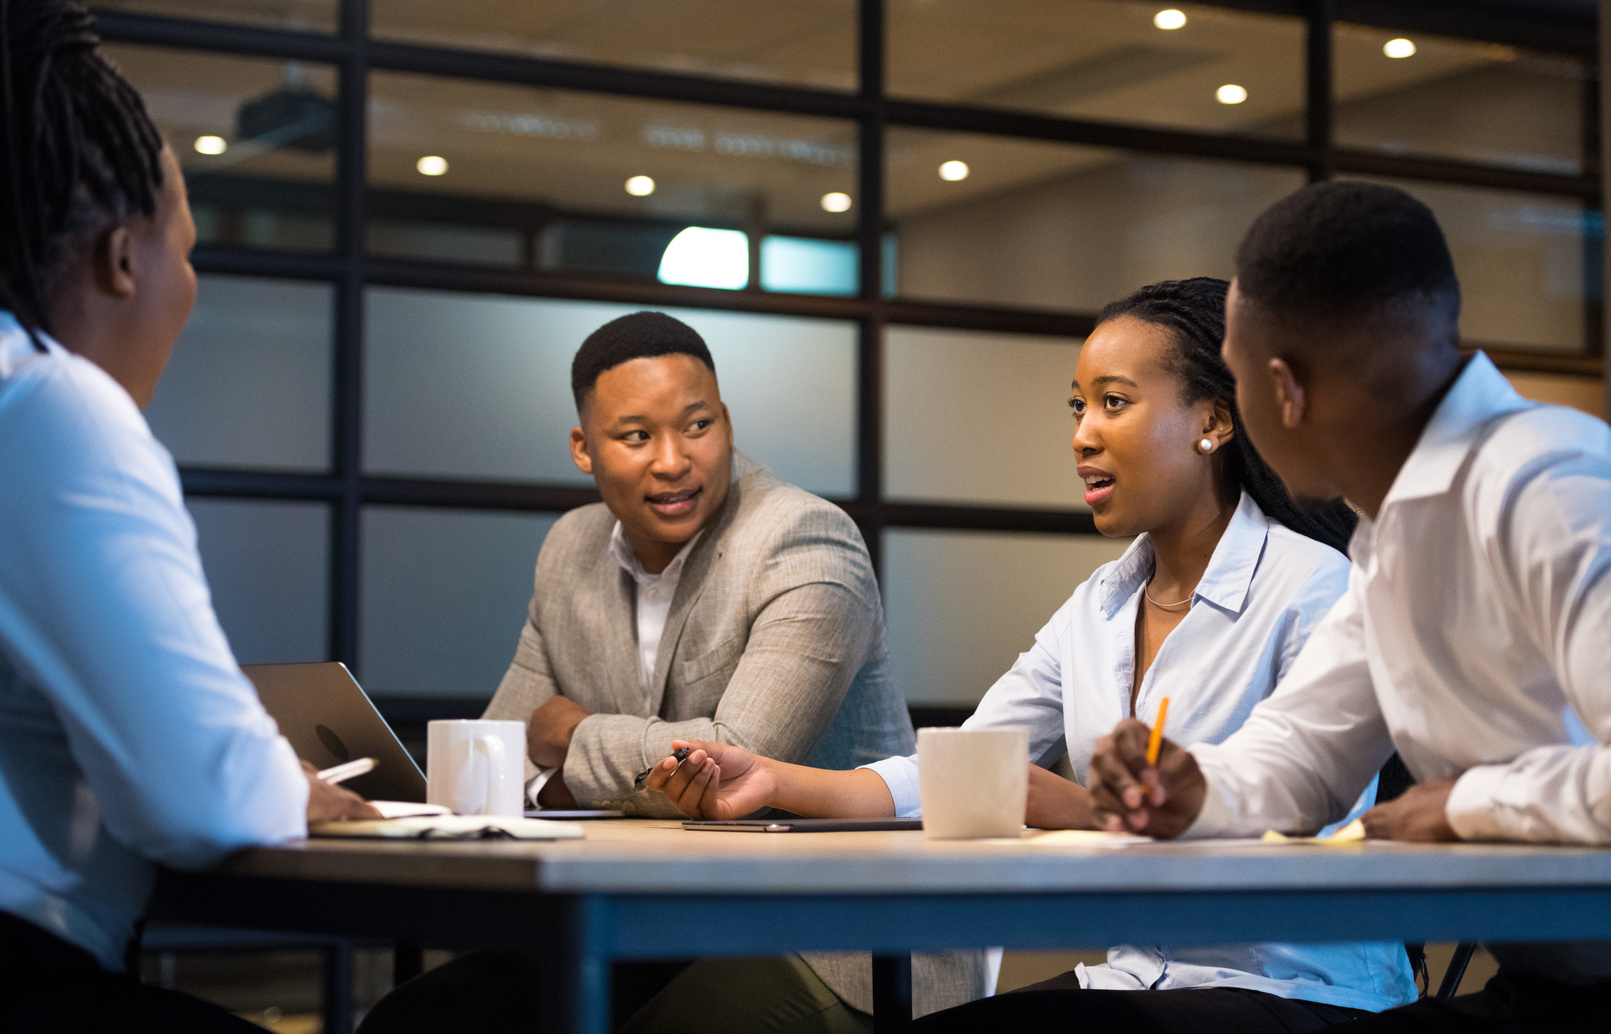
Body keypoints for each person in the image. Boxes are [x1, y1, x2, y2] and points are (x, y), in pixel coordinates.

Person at [649, 277, 1418, 1031]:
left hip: (1297, 990)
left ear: (1211, 422)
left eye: (1114, 403)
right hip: (1133, 978)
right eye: (1079, 406)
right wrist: (770, 780)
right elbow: (954, 771)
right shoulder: (1099, 606)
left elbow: (1310, 837)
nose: (1082, 434)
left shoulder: (1312, 586)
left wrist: (1080, 810)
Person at [1078, 180, 1611, 1032]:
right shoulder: (1397, 530)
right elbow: (1304, 752)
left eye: (1242, 387)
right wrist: (1189, 786)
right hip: (1550, 986)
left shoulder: (1546, 485)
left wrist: (1465, 805)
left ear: (1282, 390)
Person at [359, 310, 981, 1033]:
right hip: (656, 923)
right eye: (635, 436)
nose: (673, 459)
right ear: (582, 448)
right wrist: (549, 770)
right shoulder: (571, 548)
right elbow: (494, 751)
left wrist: (573, 742)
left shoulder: (804, 540)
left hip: (833, 939)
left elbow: (733, 762)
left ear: (725, 420)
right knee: (420, 1019)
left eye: (697, 426)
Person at [0, 0, 374, 1031]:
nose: (191, 286)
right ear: (125, 259)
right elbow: (197, 797)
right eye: (190, 251)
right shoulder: (54, 410)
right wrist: (276, 777)